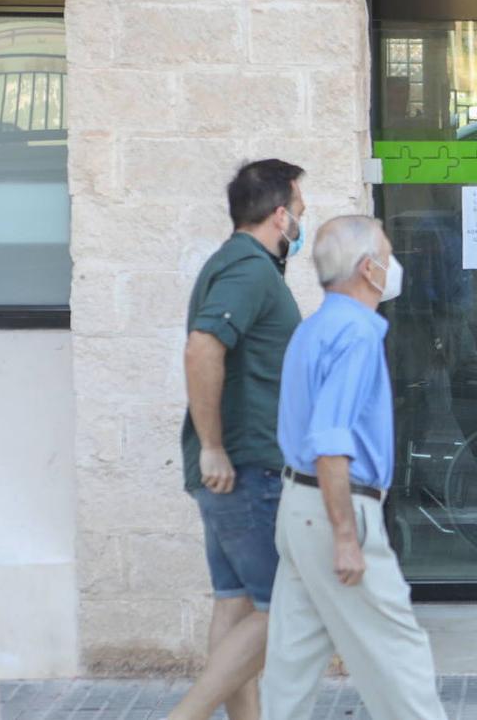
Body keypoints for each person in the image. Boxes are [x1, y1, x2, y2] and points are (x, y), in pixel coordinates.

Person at [261, 216, 447, 719]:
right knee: (399, 654)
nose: (393, 265)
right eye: (387, 254)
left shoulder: (313, 328)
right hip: (334, 511)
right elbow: (329, 441)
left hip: (298, 508)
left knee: (290, 668)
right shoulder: (358, 333)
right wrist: (346, 535)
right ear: (369, 269)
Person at [172, 159, 306, 720]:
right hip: (248, 468)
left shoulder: (232, 263)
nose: (300, 222)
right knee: (290, 608)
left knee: (236, 605)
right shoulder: (249, 270)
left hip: (235, 469)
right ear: (279, 215)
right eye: (299, 211)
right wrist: (215, 446)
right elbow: (203, 346)